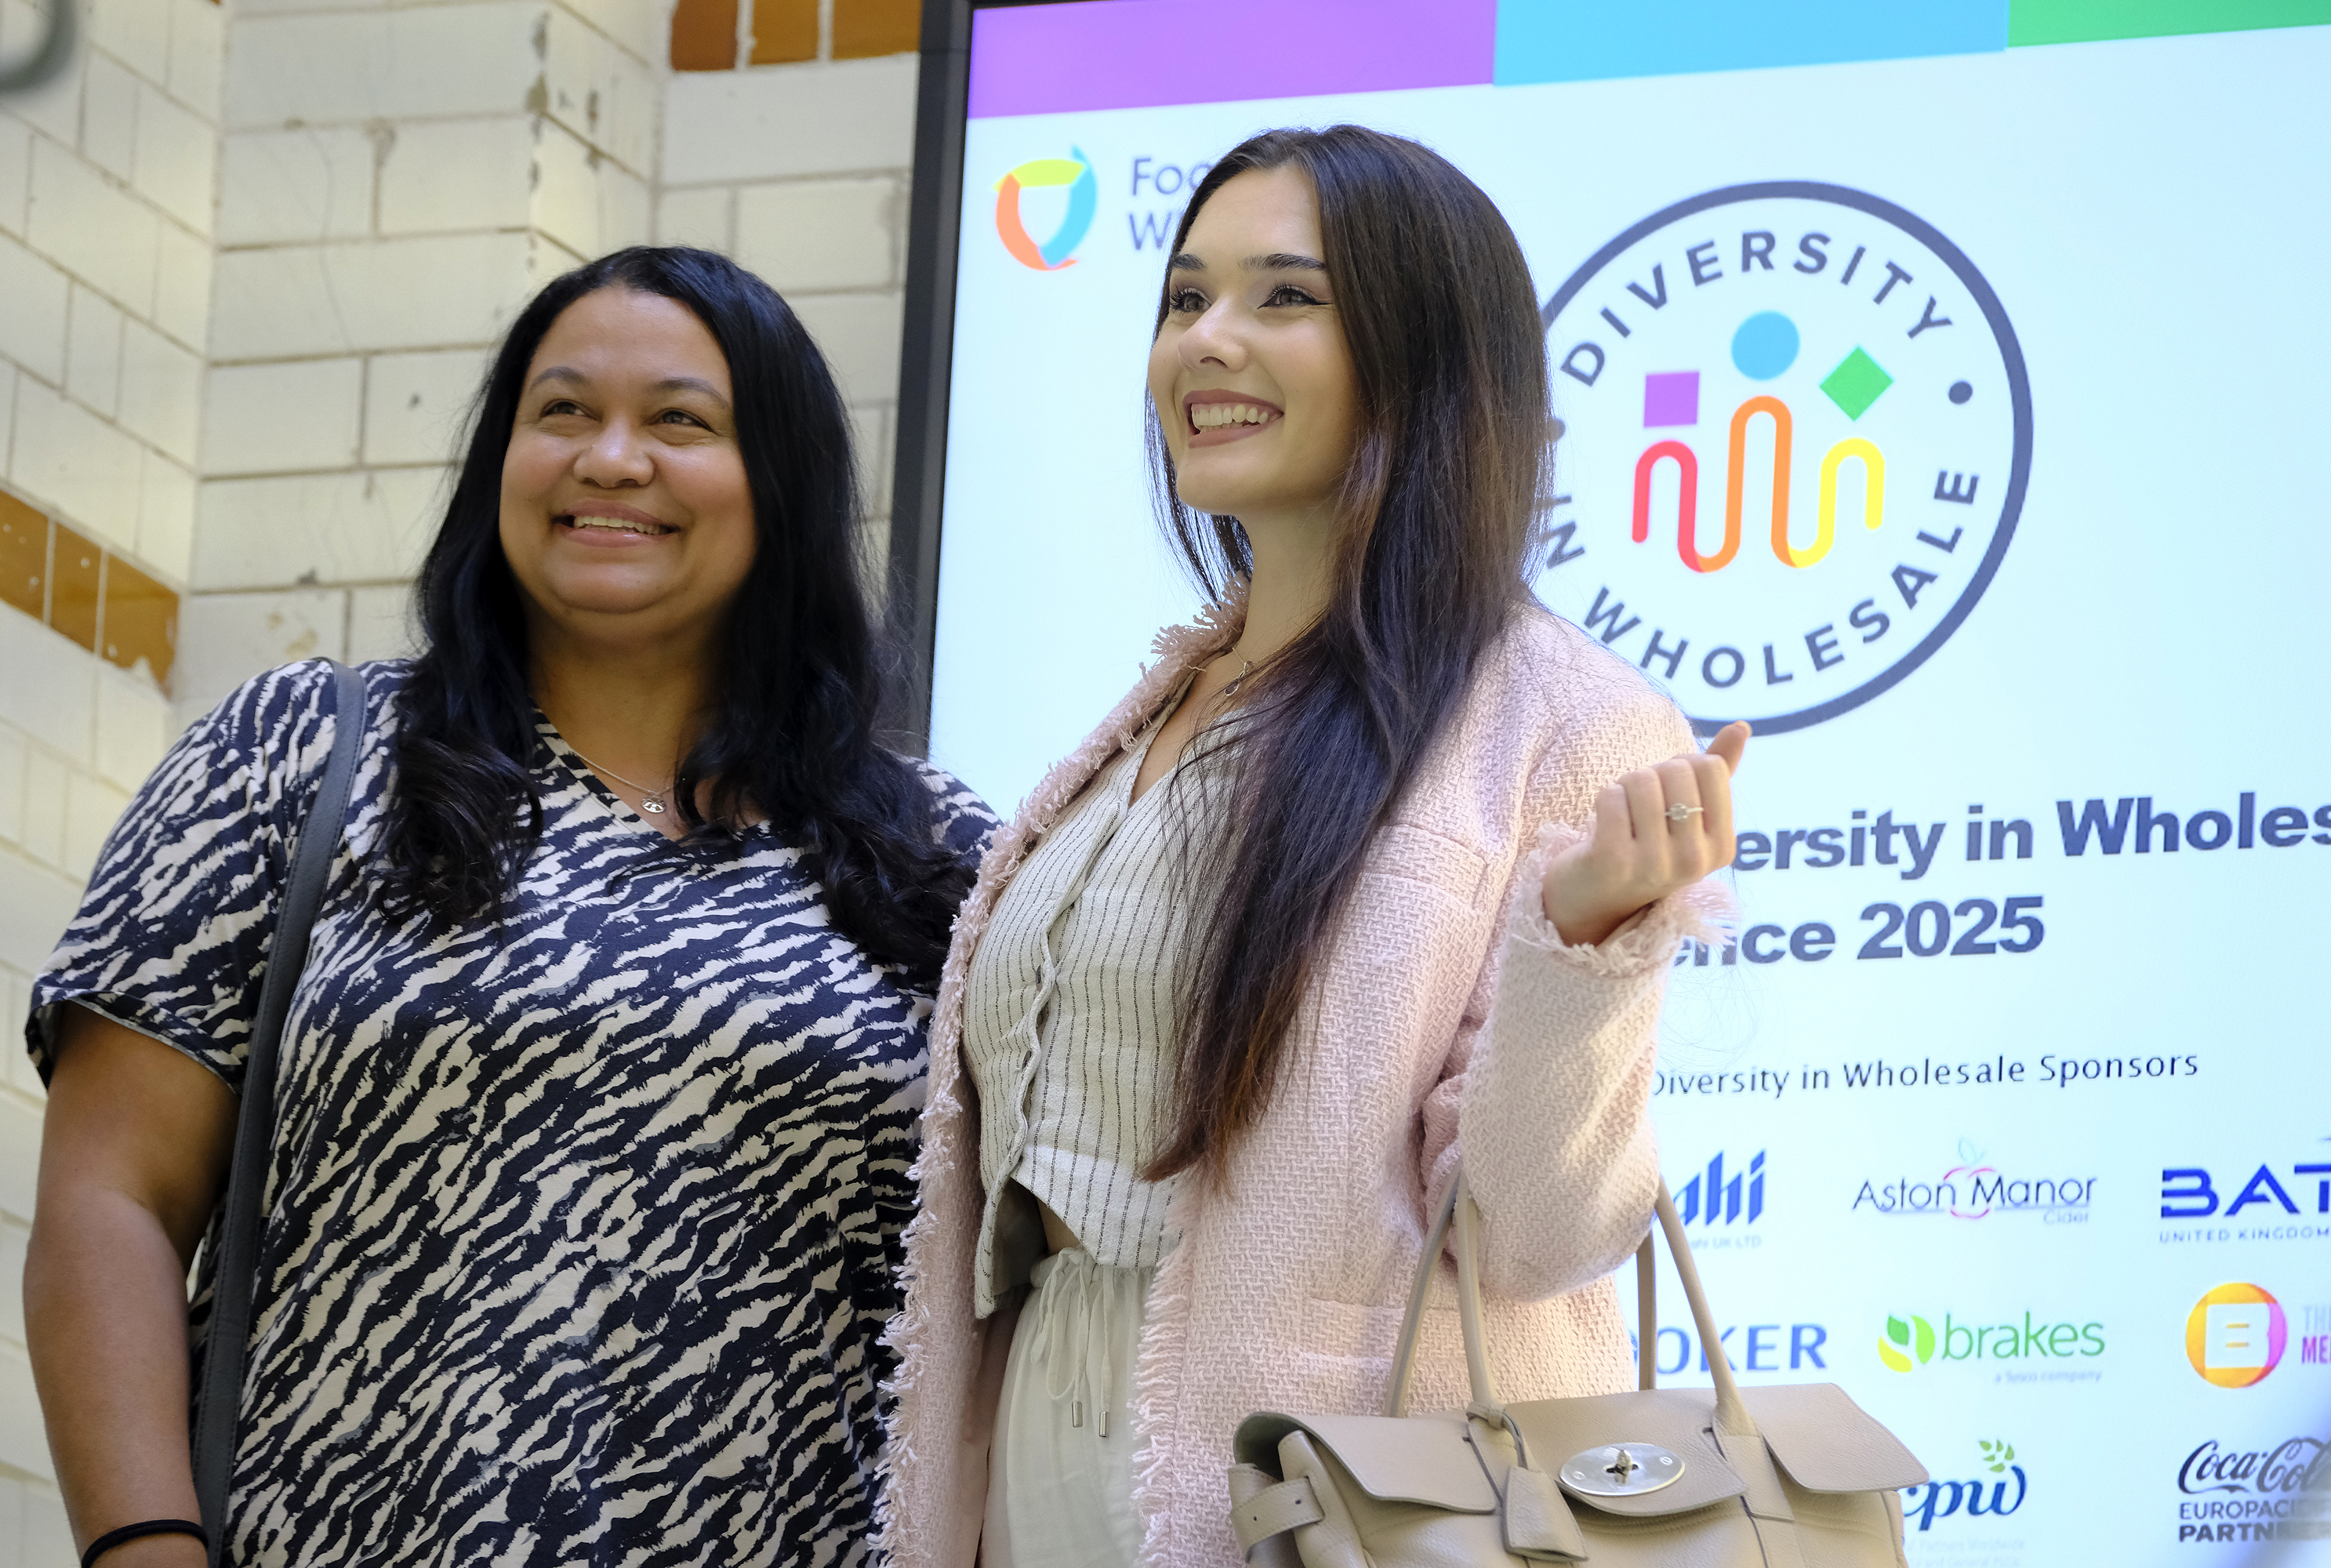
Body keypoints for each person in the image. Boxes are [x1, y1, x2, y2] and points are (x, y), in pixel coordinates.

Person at [24, 247, 993, 1566]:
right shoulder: (302, 753)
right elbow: (110, 1197)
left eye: (680, 422)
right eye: (562, 411)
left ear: (785, 481)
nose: (610, 459)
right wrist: (145, 1549)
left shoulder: (948, 860)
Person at [875, 126, 1751, 1566]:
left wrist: (1585, 954)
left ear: (1427, 358)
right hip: (1047, 1404)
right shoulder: (1153, 707)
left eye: (1285, 296)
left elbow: (1540, 1237)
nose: (1206, 341)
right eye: (1185, 297)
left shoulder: (1569, 720)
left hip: (1327, 1478)